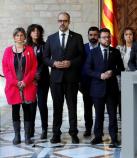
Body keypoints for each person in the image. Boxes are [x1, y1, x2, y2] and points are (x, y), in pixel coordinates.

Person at [43, 12, 84, 144]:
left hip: (72, 79)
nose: (62, 23)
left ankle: (73, 133)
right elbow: (44, 58)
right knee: (57, 108)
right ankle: (56, 134)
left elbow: (82, 57)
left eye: (65, 21)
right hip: (56, 80)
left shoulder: (77, 37)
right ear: (57, 21)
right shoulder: (51, 38)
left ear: (69, 22)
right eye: (60, 20)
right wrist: (53, 63)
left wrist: (71, 62)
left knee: (72, 107)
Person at [85, 28, 124, 148]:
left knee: (113, 115)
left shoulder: (115, 52)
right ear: (99, 38)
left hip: (112, 89)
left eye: (108, 37)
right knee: (99, 114)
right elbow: (87, 69)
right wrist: (100, 75)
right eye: (104, 37)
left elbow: (121, 68)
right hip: (97, 89)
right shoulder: (93, 52)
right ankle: (98, 137)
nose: (107, 39)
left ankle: (113, 138)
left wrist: (113, 71)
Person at [2, 27, 37, 145]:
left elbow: (33, 68)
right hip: (13, 87)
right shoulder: (7, 51)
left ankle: (27, 136)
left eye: (22, 35)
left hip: (27, 86)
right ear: (14, 37)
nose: (19, 37)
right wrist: (15, 82)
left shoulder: (30, 50)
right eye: (17, 35)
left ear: (25, 37)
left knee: (27, 111)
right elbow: (6, 69)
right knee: (15, 111)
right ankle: (17, 136)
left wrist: (25, 81)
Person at [26, 24, 49, 139]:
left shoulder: (44, 46)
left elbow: (45, 62)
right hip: (29, 81)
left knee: (42, 104)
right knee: (31, 105)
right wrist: (31, 76)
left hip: (43, 79)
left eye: (38, 31)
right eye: (33, 31)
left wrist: (37, 74)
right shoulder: (25, 46)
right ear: (29, 33)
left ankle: (44, 129)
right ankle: (30, 129)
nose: (36, 33)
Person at [82, 26, 99, 137]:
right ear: (88, 36)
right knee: (87, 108)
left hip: (99, 83)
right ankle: (88, 128)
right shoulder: (82, 48)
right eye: (91, 35)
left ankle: (98, 129)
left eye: (95, 35)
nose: (93, 37)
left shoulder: (103, 47)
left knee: (99, 108)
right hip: (86, 83)